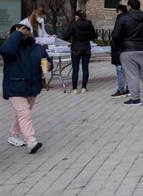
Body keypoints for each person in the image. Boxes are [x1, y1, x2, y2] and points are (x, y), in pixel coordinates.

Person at [1, 22, 51, 153]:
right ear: (13, 35)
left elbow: (46, 60)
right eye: (20, 31)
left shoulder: (37, 48)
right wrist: (17, 34)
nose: (24, 33)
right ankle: (31, 141)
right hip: (15, 86)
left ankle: (13, 134)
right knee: (25, 114)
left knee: (23, 113)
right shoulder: (11, 49)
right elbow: (6, 50)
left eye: (26, 31)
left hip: (32, 87)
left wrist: (48, 65)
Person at [111, 0, 143, 106]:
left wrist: (121, 44)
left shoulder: (123, 18)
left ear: (129, 6)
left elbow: (115, 35)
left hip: (128, 50)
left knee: (132, 75)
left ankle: (135, 99)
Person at [60, 10, 97, 94]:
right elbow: (93, 36)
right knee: (85, 68)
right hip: (87, 48)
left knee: (75, 69)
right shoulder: (89, 24)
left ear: (77, 17)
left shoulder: (74, 25)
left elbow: (65, 36)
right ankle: (84, 87)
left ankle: (75, 89)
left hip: (76, 49)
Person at [110, 5, 129, 98]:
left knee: (120, 69)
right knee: (129, 69)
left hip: (119, 48)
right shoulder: (130, 19)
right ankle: (129, 88)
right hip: (128, 48)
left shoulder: (120, 19)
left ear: (119, 11)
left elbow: (115, 35)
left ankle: (121, 90)